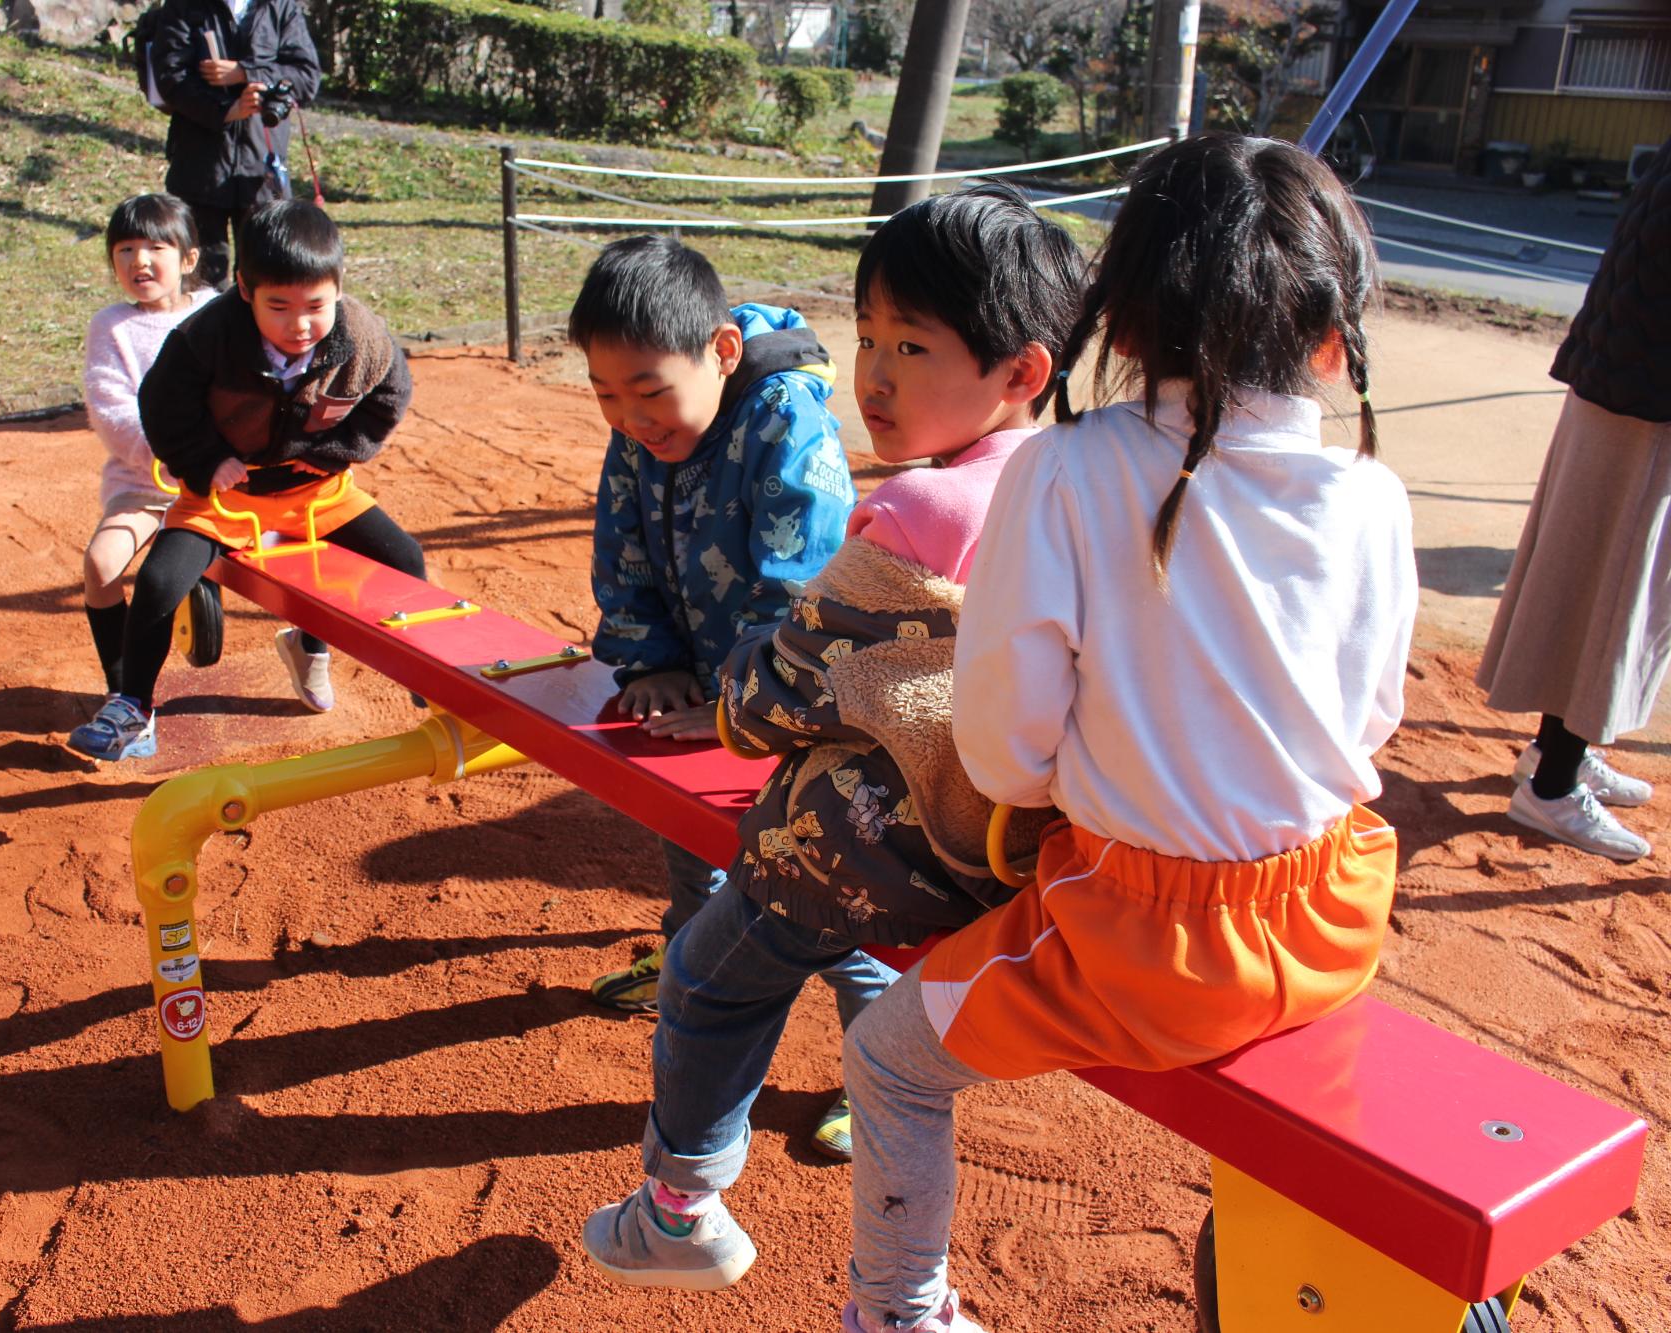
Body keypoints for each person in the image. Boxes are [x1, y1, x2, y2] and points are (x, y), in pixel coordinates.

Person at [842, 134, 1417, 1333]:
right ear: (1327, 335)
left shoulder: (1065, 468)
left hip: (1144, 938)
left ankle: (893, 1312)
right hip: (1329, 911)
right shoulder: (1370, 492)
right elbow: (1369, 721)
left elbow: (1002, 749)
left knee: (888, 1059)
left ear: (1129, 318)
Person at [579, 182, 1089, 1291]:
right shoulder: (1077, 487)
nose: (874, 376)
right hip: (1004, 848)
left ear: (1022, 372)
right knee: (844, 957)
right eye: (867, 339)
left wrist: (725, 709)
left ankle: (680, 1204)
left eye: (911, 345)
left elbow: (784, 689)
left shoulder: (915, 513)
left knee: (708, 975)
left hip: (882, 845)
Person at [570, 236, 858, 1016]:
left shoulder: (786, 423)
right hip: (706, 680)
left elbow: (804, 584)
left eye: (647, 391)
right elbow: (620, 542)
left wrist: (749, 697)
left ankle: (876, 1058)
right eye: (604, 395)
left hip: (804, 701)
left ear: (724, 350)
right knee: (691, 836)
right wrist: (650, 661)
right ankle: (688, 967)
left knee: (822, 878)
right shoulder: (643, 427)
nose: (629, 418)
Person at [66, 200, 425, 762]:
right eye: (277, 306)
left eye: (315, 305)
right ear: (243, 289)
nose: (299, 324)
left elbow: (390, 395)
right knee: (161, 583)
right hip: (224, 500)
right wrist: (205, 460)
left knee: (403, 558)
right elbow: (161, 407)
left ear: (337, 289)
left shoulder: (361, 335)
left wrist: (337, 452)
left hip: (316, 493)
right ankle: (132, 704)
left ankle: (394, 659)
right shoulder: (205, 336)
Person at [1475, 136, 1670, 863]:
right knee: (1614, 593)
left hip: (1624, 379)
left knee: (1601, 582)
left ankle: (1556, 751)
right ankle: (1553, 784)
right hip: (1643, 398)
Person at [79, 194, 218, 699]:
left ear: (188, 259)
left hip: (221, 482)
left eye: (156, 247)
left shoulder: (216, 310)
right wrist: (171, 454)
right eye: (125, 249)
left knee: (299, 558)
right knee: (101, 564)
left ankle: (308, 647)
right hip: (148, 485)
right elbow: (112, 409)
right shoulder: (111, 327)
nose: (139, 260)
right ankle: (125, 694)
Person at [149, 0, 320, 290]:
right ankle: (206, 336)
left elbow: (307, 77)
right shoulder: (182, 6)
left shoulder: (280, 6)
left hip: (261, 172)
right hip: (199, 166)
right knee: (199, 281)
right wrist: (227, 110)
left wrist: (246, 72)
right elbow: (170, 76)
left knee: (265, 277)